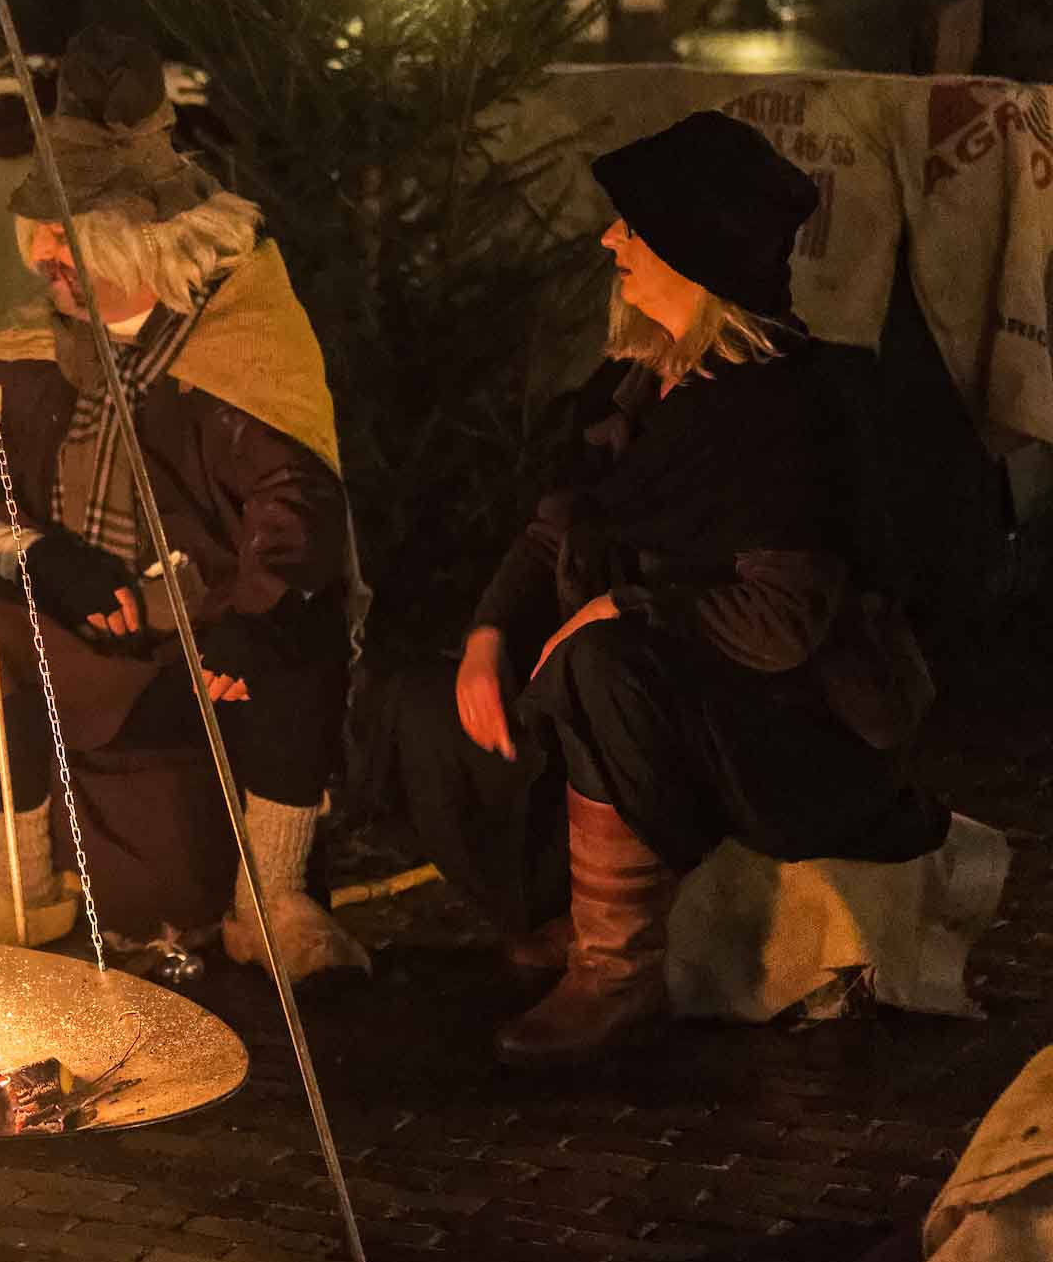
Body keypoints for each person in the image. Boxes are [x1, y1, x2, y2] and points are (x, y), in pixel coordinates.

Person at [364, 110, 949, 1065]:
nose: (609, 241)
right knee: (419, 700)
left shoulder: (780, 412)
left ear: (694, 248)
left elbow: (782, 622)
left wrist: (625, 606)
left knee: (603, 660)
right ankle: (555, 912)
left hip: (781, 731)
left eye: (631, 227)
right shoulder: (639, 381)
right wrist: (485, 637)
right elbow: (555, 523)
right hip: (655, 704)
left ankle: (615, 969)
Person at [0, 27, 364, 982]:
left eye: (70, 250)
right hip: (79, 628)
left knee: (294, 641)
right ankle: (24, 889)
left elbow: (297, 513)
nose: (46, 266)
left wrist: (249, 622)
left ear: (142, 246)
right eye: (43, 246)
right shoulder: (27, 366)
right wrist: (42, 560)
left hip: (205, 629)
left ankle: (273, 903)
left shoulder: (237, 357)